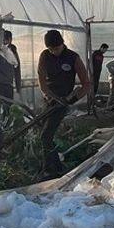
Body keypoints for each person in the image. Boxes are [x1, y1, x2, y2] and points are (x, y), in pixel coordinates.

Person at [37, 30, 91, 175]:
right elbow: (42, 80)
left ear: (62, 44)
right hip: (49, 100)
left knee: (45, 136)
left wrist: (71, 99)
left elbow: (86, 84)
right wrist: (47, 95)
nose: (54, 52)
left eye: (56, 48)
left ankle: (49, 171)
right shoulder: (45, 56)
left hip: (64, 101)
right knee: (44, 134)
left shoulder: (73, 58)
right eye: (51, 49)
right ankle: (57, 167)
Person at [0, 29, 22, 126]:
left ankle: (7, 131)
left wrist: (18, 87)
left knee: (9, 111)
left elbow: (17, 70)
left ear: (10, 40)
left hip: (8, 86)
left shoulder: (13, 52)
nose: (5, 42)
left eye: (7, 40)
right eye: (3, 40)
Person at [88, 43, 109, 114]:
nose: (105, 51)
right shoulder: (95, 53)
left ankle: (92, 103)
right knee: (92, 87)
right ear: (102, 48)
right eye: (105, 49)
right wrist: (91, 71)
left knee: (95, 88)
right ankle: (89, 102)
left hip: (97, 74)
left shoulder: (101, 56)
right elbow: (90, 61)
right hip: (93, 74)